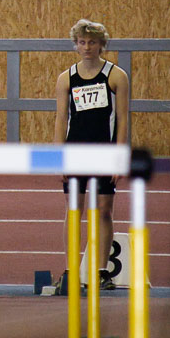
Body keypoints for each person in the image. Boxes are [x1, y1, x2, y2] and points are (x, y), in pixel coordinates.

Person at [53, 18, 129, 291]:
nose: (87, 47)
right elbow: (61, 119)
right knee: (74, 211)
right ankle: (70, 270)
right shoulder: (66, 78)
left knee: (104, 212)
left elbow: (122, 119)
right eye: (82, 42)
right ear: (76, 45)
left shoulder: (116, 76)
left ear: (101, 45)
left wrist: (119, 157)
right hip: (75, 153)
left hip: (104, 153)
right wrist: (58, 156)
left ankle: (101, 271)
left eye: (93, 42)